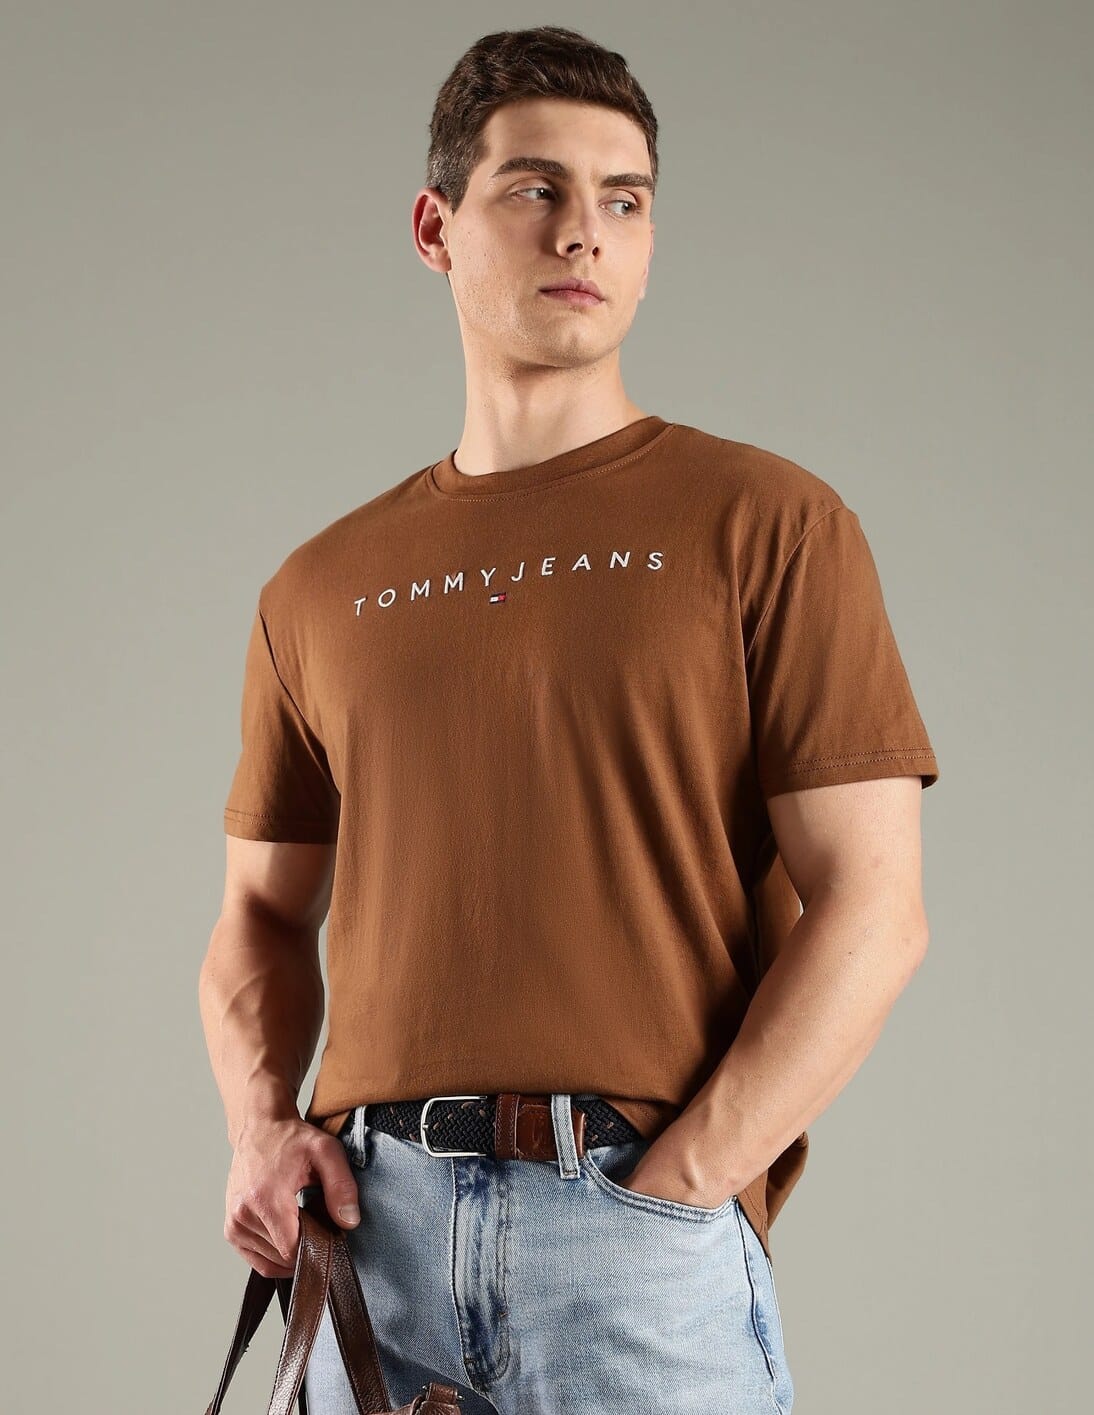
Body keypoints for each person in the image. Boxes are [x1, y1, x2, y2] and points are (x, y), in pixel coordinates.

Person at [199, 24, 940, 1414]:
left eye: (624, 199)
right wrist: (259, 1126)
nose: (584, 231)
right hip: (371, 1246)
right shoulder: (317, 586)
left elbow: (875, 907)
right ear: (436, 228)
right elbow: (257, 915)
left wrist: (687, 1182)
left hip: (633, 1232)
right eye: (535, 188)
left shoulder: (767, 525)